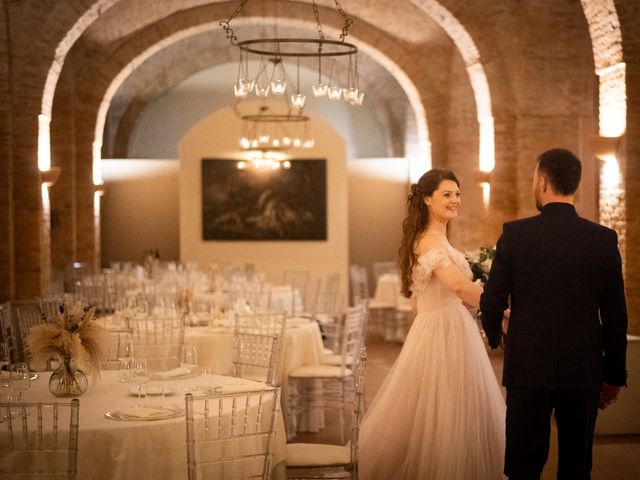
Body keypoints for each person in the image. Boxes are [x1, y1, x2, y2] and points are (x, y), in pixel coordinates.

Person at [480, 148, 628, 479]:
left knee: (523, 465)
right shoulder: (603, 240)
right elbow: (616, 315)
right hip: (583, 367)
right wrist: (614, 375)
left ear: (542, 181)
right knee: (577, 465)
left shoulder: (515, 235)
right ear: (573, 184)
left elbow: (491, 302)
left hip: (528, 366)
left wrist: (497, 339)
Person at [359, 169, 506, 480]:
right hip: (442, 332)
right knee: (442, 406)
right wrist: (500, 309)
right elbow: (459, 288)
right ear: (426, 199)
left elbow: (416, 301)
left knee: (455, 406)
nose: (455, 200)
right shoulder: (427, 241)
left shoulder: (438, 239)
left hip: (449, 326)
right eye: (446, 194)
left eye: (457, 194)